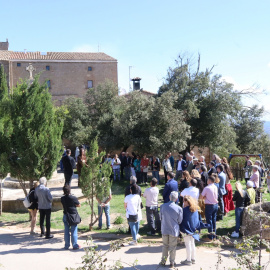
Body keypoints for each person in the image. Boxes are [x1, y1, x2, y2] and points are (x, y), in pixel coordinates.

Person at [160, 191, 183, 268]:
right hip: (174, 230)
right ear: (176, 199)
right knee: (172, 247)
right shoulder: (179, 208)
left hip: (164, 228)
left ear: (169, 197)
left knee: (165, 246)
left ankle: (163, 261)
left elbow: (160, 217)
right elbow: (180, 221)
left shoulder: (162, 206)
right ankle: (172, 262)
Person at [180, 196, 201, 266]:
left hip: (186, 229)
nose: (183, 202)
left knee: (187, 244)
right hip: (193, 229)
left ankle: (188, 260)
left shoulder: (184, 210)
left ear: (186, 202)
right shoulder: (195, 209)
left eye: (183, 201)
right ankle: (193, 258)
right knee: (192, 243)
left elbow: (181, 220)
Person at [61, 185, 81, 249]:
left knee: (66, 231)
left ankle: (67, 245)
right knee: (74, 230)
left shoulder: (62, 198)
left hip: (66, 215)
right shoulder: (73, 198)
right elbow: (78, 205)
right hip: (73, 216)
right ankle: (75, 245)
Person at [201, 176, 218, 241]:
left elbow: (202, 196)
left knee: (209, 221)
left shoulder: (207, 188)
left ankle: (210, 237)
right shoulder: (215, 187)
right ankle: (214, 236)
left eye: (208, 180)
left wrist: (205, 197)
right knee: (213, 220)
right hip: (215, 204)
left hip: (209, 205)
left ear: (210, 181)